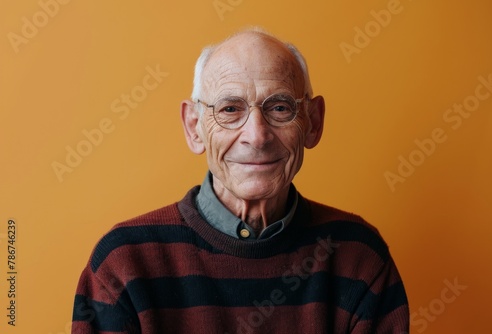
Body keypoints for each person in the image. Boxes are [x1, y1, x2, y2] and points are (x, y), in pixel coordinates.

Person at [72, 28, 409, 333]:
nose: (257, 136)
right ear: (194, 127)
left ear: (313, 121)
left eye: (279, 108)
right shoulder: (124, 263)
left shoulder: (359, 257)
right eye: (230, 109)